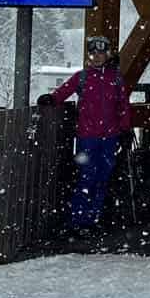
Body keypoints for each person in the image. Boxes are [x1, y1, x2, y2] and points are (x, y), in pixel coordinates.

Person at [39, 35, 134, 231]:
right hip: (88, 136)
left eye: (101, 53)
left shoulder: (115, 78)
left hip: (110, 137)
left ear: (107, 54)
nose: (97, 57)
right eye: (93, 53)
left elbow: (123, 106)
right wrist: (51, 98)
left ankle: (94, 219)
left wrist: (124, 130)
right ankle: (79, 220)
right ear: (89, 56)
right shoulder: (82, 77)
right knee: (86, 177)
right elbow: (64, 91)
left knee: (103, 178)